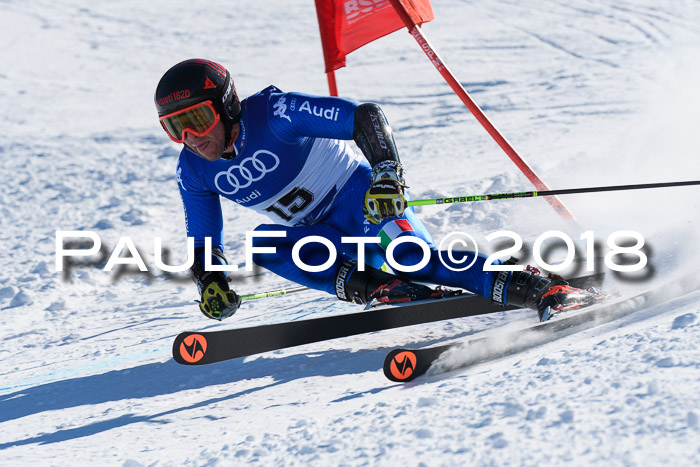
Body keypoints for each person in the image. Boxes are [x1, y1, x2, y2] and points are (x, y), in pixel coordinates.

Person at [154, 58, 600, 322]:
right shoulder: (193, 170)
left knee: (414, 258)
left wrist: (386, 172)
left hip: (363, 201)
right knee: (266, 244)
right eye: (175, 128)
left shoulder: (274, 112)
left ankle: (536, 288)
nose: (191, 137)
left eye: (197, 120)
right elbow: (203, 239)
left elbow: (363, 116)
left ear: (227, 106)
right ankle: (382, 290)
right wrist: (209, 279)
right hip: (322, 239)